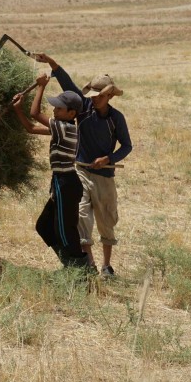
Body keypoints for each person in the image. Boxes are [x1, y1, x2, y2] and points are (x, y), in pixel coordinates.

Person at [35, 53, 132, 277]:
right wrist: (52, 63)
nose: (94, 98)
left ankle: (107, 266)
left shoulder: (116, 119)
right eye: (93, 95)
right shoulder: (84, 108)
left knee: (106, 220)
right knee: (81, 218)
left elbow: (127, 146)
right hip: (80, 172)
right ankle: (89, 264)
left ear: (109, 96)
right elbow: (67, 84)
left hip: (105, 176)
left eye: (99, 96)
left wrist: (108, 159)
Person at [11, 73, 89, 269]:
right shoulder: (61, 128)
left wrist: (40, 87)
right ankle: (69, 265)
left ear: (72, 114)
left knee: (65, 231)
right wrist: (18, 109)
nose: (54, 110)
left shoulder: (66, 128)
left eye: (59, 109)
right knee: (44, 226)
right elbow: (30, 128)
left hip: (66, 182)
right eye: (55, 107)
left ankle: (79, 271)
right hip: (60, 182)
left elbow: (35, 114)